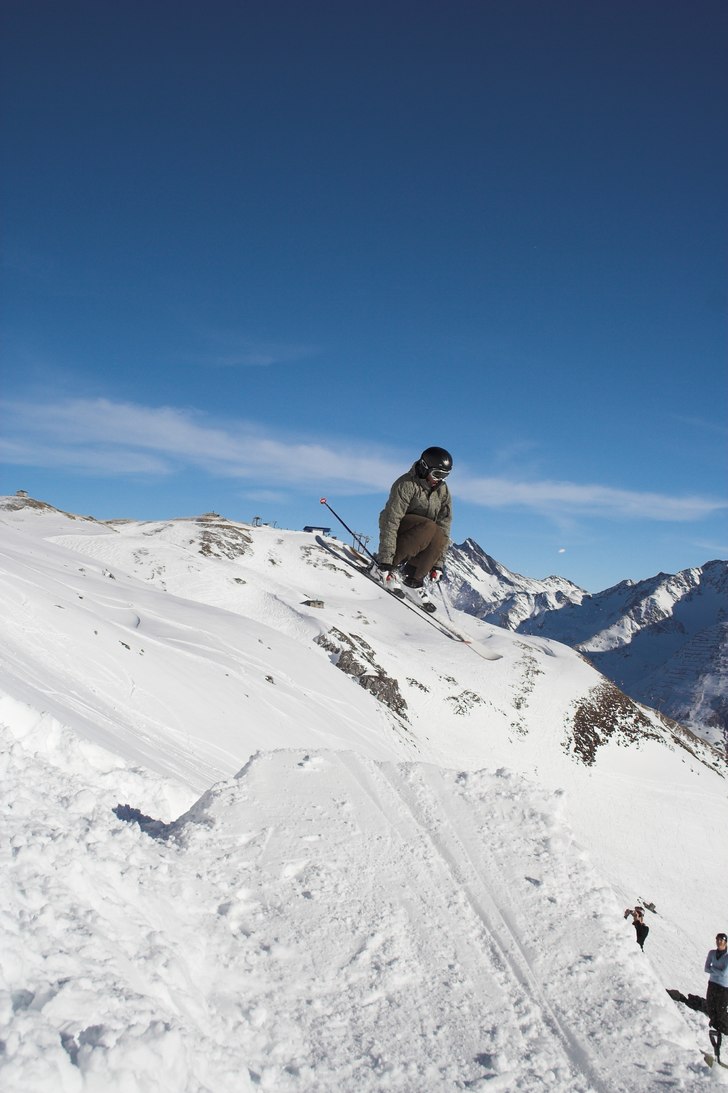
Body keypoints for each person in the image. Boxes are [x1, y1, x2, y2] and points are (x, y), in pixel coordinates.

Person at [368, 446, 453, 614]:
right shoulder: (406, 484)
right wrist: (385, 560)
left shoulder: (442, 490)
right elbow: (391, 520)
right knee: (430, 527)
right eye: (437, 474)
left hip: (423, 533)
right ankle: (385, 569)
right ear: (424, 467)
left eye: (445, 476)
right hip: (400, 527)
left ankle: (412, 579)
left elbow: (445, 525)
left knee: (439, 534)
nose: (439, 480)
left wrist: (438, 565)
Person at [705, 931, 728, 1062]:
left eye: (721, 940)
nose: (719, 942)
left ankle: (724, 1038)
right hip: (712, 984)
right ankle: (717, 1048)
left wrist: (713, 969)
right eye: (718, 940)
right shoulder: (712, 953)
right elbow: (706, 968)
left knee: (721, 1013)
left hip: (724, 988)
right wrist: (715, 970)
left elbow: (725, 973)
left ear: (726, 942)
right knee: (711, 1009)